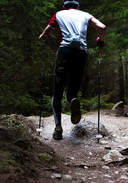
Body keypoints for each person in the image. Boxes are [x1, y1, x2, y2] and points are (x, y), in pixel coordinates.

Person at [39, 0, 106, 140]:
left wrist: (42, 38)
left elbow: (47, 32)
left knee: (57, 92)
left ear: (64, 7)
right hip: (81, 52)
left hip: (65, 51)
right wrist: (101, 39)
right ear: (78, 7)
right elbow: (102, 27)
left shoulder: (59, 14)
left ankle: (58, 129)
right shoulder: (85, 15)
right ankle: (73, 99)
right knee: (73, 89)